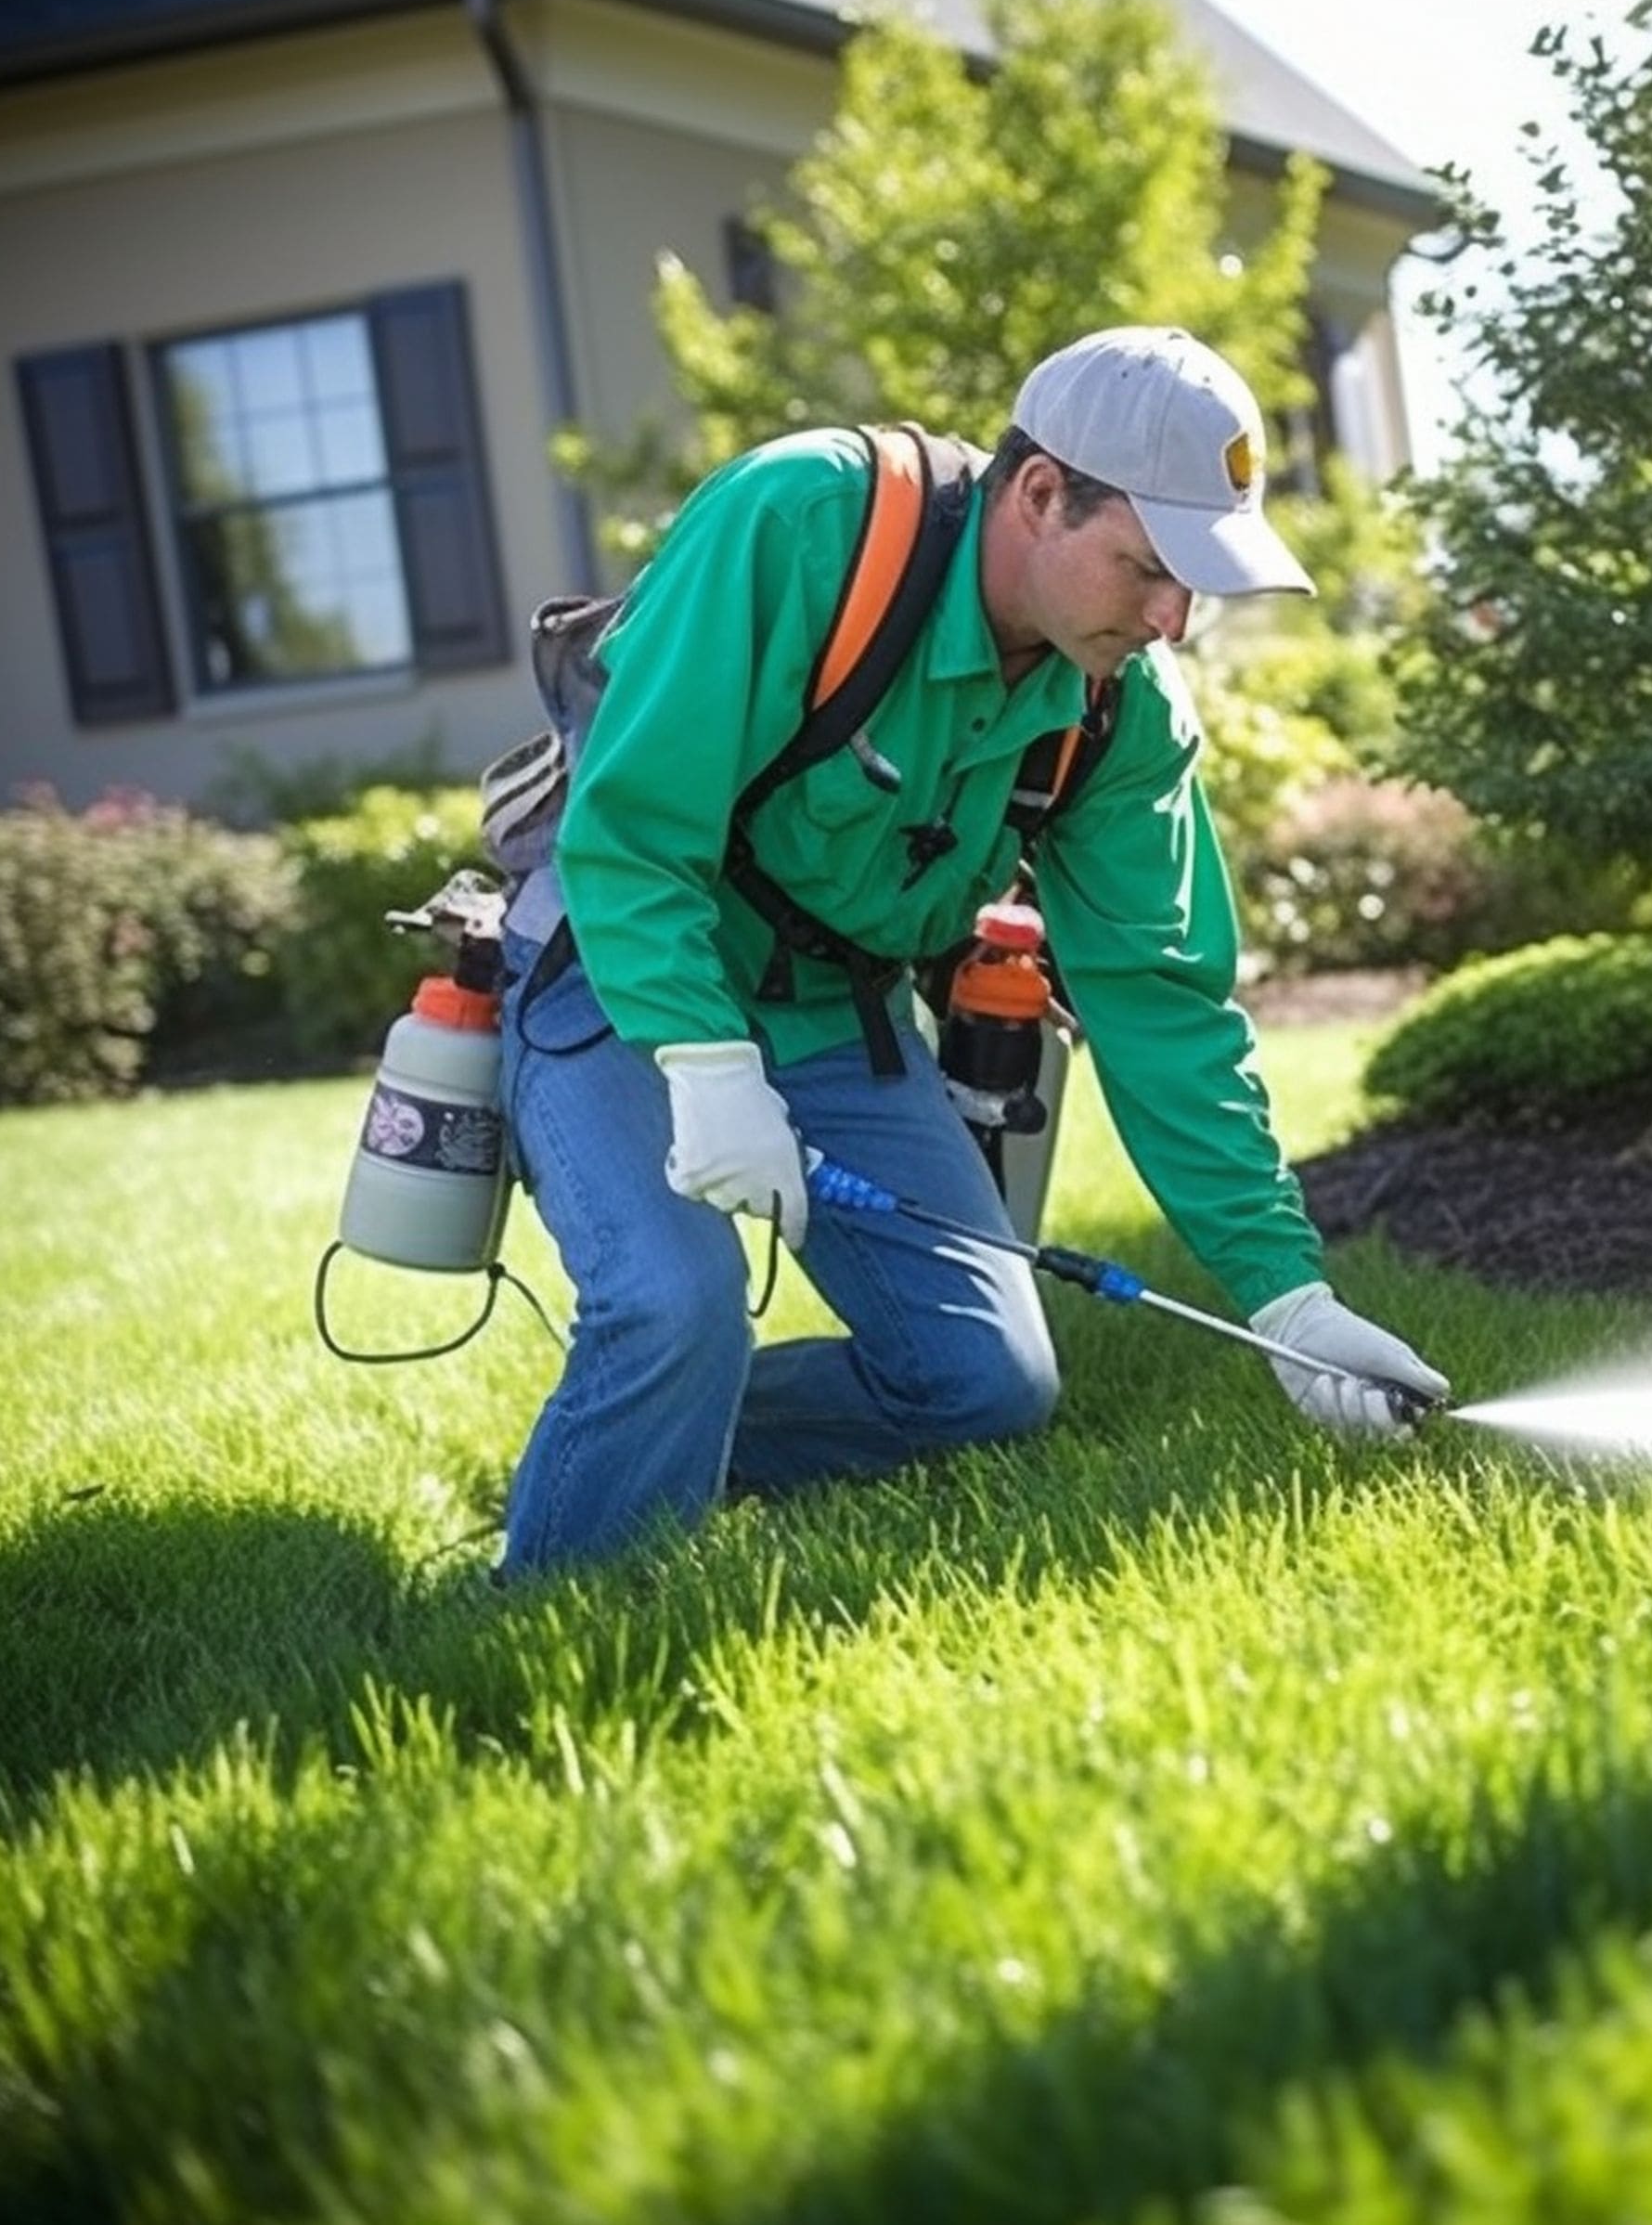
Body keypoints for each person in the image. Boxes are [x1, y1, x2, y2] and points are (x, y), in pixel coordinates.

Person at [495, 324, 1447, 1574]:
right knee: (676, 1305)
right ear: (1042, 493)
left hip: (838, 1012)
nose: (1171, 620)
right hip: (622, 976)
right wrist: (708, 1065)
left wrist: (1289, 1300)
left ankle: (645, 1439)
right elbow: (632, 835)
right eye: (1149, 567)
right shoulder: (799, 523)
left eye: (1195, 587)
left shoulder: (1124, 714)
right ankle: (543, 1607)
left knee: (982, 1382)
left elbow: (1164, 1007)